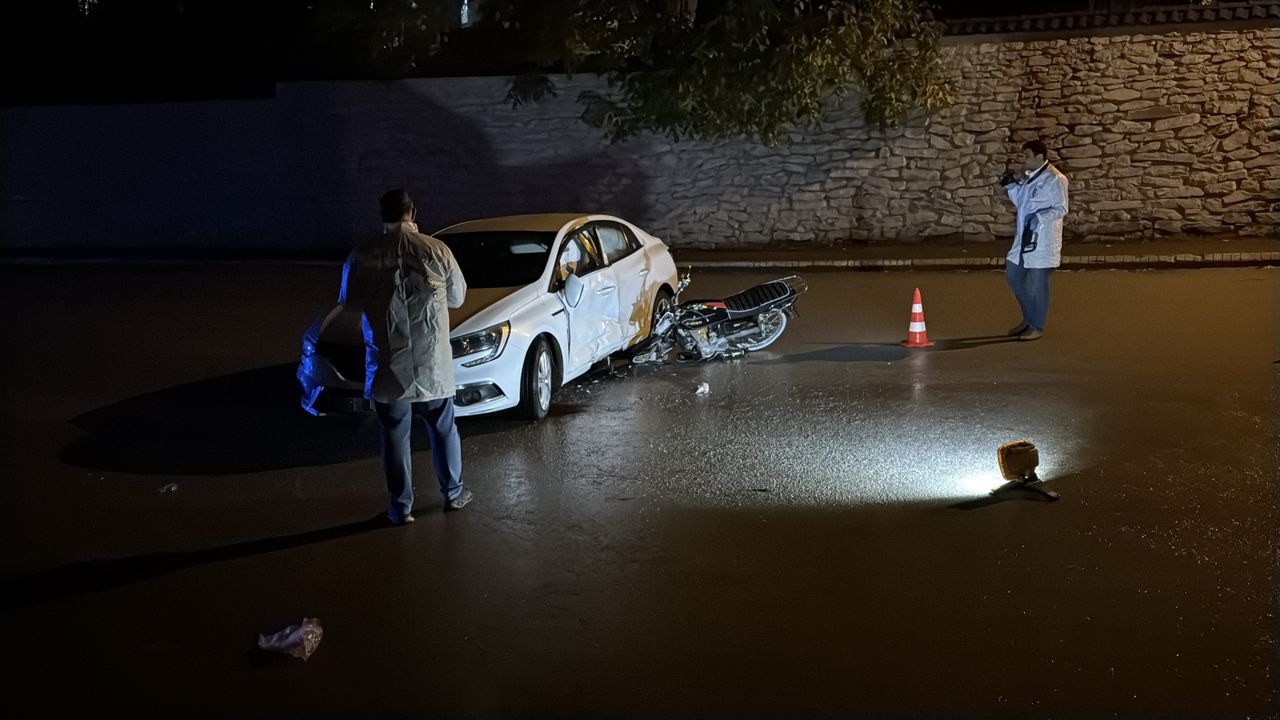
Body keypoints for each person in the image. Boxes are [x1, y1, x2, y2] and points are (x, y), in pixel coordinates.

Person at [335, 189, 471, 524]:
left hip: (387, 364)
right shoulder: (436, 250)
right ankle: (452, 493)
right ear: (413, 211)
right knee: (443, 428)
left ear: (382, 214)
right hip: (432, 364)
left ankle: (401, 507)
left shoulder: (363, 255)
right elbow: (457, 298)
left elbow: (349, 304)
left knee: (395, 435)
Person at [999, 139, 1069, 341]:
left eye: (1027, 156)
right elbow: (1021, 202)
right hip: (1024, 239)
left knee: (1039, 286)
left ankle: (1036, 325)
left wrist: (1039, 217)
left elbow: (1061, 208)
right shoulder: (1030, 177)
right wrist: (1012, 186)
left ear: (1040, 156)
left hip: (1043, 242)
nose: (1024, 160)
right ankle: (1029, 319)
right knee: (1013, 277)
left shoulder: (1056, 179)